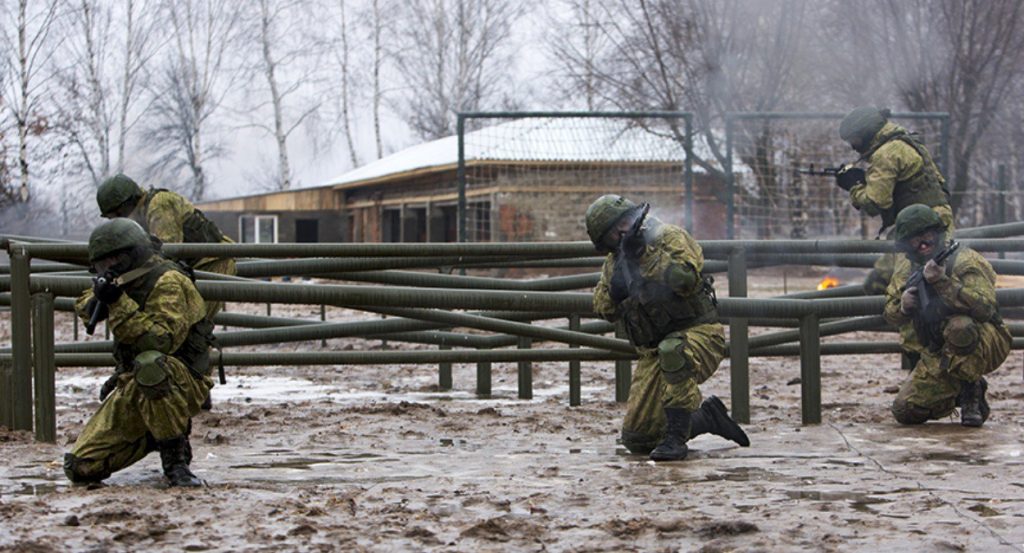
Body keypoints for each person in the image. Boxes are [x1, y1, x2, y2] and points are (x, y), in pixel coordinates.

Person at [586, 194, 749, 461]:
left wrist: (644, 257)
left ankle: (676, 440)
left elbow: (684, 280)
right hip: (654, 351)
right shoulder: (614, 262)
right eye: (616, 232)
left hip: (700, 335)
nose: (625, 230)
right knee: (639, 439)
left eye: (627, 222)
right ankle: (707, 418)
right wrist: (616, 289)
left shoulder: (669, 237)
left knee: (673, 349)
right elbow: (603, 308)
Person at [64, 218, 214, 487]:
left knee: (151, 365)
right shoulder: (123, 279)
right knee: (81, 467)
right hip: (137, 381)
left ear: (126, 257)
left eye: (108, 264)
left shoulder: (168, 282)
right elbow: (84, 304)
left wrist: (118, 303)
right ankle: (158, 432)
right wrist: (101, 294)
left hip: (181, 380)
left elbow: (158, 343)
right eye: (100, 266)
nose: (104, 270)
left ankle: (175, 462)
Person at [884, 204, 1010, 427]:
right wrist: (903, 307)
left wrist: (941, 282)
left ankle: (971, 392)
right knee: (905, 411)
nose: (923, 243)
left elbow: (985, 308)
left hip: (985, 340)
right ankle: (960, 391)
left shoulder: (965, 260)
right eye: (915, 239)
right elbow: (890, 313)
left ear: (938, 233)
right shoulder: (906, 267)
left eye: (928, 235)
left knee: (960, 326)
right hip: (938, 349)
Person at [837, 106, 955, 296]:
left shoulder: (886, 153)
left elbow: (876, 203)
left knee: (890, 285)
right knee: (916, 285)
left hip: (919, 230)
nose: (854, 146)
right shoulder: (908, 142)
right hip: (934, 222)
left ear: (866, 132)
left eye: (855, 140)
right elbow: (936, 184)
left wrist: (854, 187)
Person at [96, 173, 236, 319]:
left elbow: (166, 253)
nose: (119, 221)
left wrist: (126, 278)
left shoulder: (159, 205)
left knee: (193, 324)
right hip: (191, 267)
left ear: (128, 203)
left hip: (213, 262)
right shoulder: (139, 216)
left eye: (119, 215)